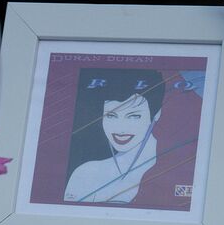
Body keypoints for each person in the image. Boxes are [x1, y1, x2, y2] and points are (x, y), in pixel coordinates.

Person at [64, 69, 165, 204]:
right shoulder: (86, 173)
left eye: (134, 116)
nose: (120, 129)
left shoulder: (175, 163)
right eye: (111, 115)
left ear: (157, 114)